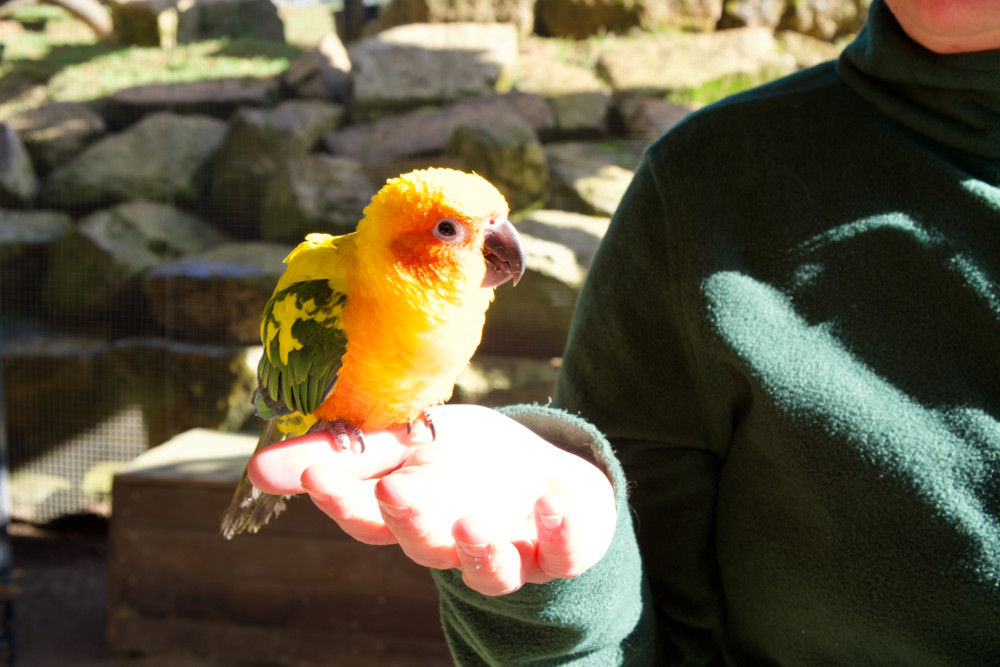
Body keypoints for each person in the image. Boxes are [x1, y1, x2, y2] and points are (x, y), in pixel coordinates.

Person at [249, 0, 1000, 663]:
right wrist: (563, 581)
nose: (497, 248)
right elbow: (641, 629)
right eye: (454, 232)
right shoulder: (701, 192)